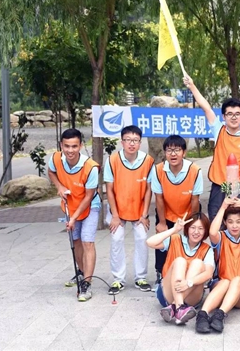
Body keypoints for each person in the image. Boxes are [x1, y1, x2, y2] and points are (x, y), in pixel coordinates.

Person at [183, 75, 240, 223]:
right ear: (223, 116)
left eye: (237, 114)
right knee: (216, 225)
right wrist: (192, 86)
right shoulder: (218, 130)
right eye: (230, 114)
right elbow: (206, 107)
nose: (234, 117)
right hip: (218, 187)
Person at [195, 197, 240, 334]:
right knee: (226, 281)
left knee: (237, 280)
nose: (234, 226)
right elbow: (212, 232)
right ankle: (202, 315)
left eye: (238, 222)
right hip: (222, 287)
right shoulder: (221, 237)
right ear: (225, 222)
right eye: (230, 222)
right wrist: (223, 207)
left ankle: (219, 315)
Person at [48, 128, 100, 302]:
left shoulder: (90, 167)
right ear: (61, 145)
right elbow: (51, 172)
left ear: (81, 146)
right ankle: (82, 271)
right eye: (67, 146)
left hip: (90, 206)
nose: (70, 150)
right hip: (70, 205)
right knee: (76, 240)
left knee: (87, 241)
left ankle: (87, 283)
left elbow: (88, 197)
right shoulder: (56, 159)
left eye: (74, 146)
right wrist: (59, 186)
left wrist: (74, 218)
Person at [105, 125, 155, 294]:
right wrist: (115, 215)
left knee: (142, 238)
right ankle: (118, 280)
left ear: (140, 142)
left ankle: (141, 278)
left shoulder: (148, 161)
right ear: (122, 142)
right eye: (128, 140)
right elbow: (109, 189)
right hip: (117, 209)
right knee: (116, 238)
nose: (131, 144)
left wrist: (145, 214)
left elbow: (148, 189)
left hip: (139, 209)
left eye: (135, 140)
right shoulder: (112, 160)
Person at [149, 135, 203, 289]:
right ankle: (160, 273)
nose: (173, 154)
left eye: (177, 150)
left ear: (184, 153)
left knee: (192, 240)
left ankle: (193, 275)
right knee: (162, 239)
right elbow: (158, 198)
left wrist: (193, 223)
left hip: (188, 213)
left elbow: (195, 200)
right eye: (169, 150)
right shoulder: (158, 170)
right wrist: (162, 223)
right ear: (165, 153)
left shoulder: (195, 170)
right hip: (166, 212)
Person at [146, 213, 215, 325]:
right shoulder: (175, 239)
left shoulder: (207, 249)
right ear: (187, 228)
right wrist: (174, 230)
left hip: (192, 297)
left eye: (200, 228)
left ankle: (174, 308)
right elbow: (150, 242)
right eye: (193, 227)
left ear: (205, 231)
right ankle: (179, 307)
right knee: (180, 261)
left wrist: (188, 282)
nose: (196, 232)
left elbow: (208, 274)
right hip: (168, 293)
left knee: (197, 263)